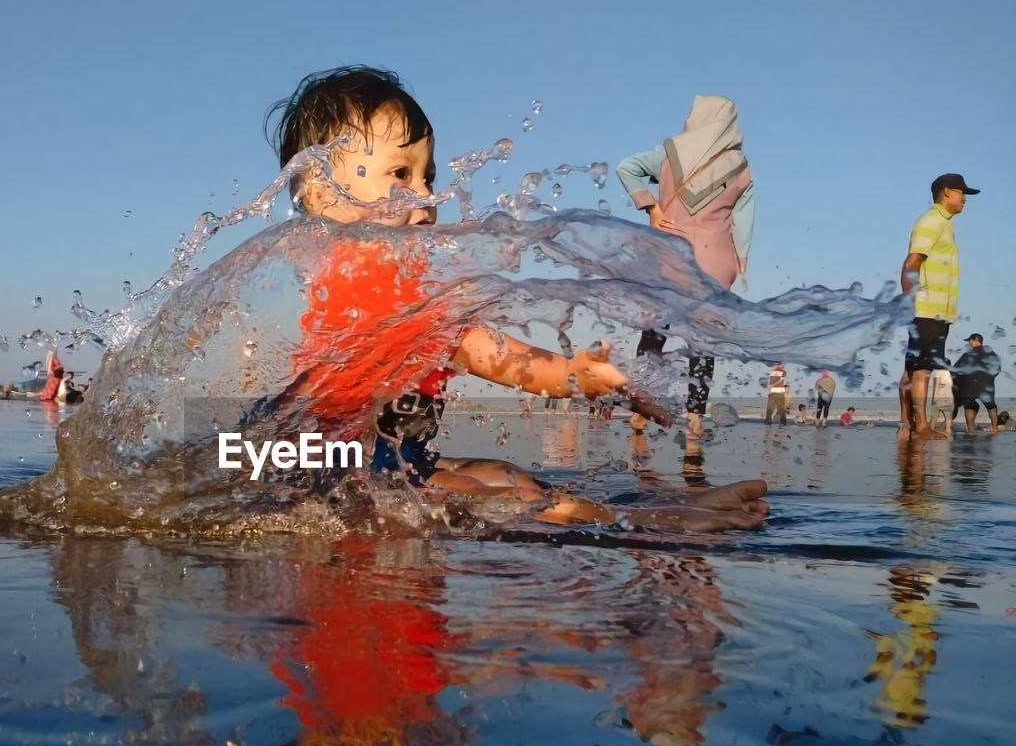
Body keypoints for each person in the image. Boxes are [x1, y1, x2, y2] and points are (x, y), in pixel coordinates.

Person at [269, 66, 767, 532]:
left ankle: (657, 508)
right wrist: (580, 375)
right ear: (320, 194)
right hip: (335, 476)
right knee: (495, 494)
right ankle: (663, 521)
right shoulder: (375, 296)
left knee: (502, 473)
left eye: (429, 177)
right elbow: (494, 356)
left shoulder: (381, 286)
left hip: (371, 465)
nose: (425, 196)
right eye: (400, 174)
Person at [617, 95, 756, 436]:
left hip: (670, 258)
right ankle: (694, 418)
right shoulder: (740, 166)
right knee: (703, 344)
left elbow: (626, 167)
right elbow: (743, 226)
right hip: (715, 264)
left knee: (654, 334)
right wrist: (738, 267)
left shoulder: (670, 152)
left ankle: (640, 409)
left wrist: (651, 208)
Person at [898, 173, 979, 439]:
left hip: (936, 312)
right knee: (920, 369)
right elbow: (911, 264)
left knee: (916, 368)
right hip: (926, 309)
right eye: (961, 192)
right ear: (946, 192)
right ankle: (918, 425)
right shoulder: (931, 221)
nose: (964, 198)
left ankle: (907, 424)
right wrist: (910, 303)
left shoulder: (944, 224)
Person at [951, 333, 1001, 434]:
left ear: (975, 340)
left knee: (969, 404)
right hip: (986, 385)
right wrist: (989, 378)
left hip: (969, 386)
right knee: (991, 406)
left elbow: (955, 371)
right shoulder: (990, 353)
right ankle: (994, 429)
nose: (969, 343)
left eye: (970, 340)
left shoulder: (967, 355)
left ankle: (971, 430)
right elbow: (997, 369)